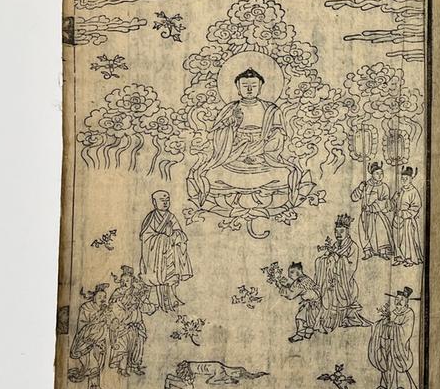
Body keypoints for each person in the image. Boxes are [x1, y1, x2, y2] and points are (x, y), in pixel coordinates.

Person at [187, 69, 303, 210]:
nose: (249, 89)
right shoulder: (230, 109)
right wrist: (233, 125)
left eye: (253, 86)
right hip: (235, 154)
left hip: (264, 155)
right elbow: (218, 134)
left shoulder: (271, 109)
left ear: (260, 87)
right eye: (245, 86)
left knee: (286, 173)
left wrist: (266, 149)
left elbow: (278, 133)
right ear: (238, 88)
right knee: (210, 173)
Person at [139, 190, 193, 312]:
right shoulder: (150, 218)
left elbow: (180, 234)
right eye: (162, 200)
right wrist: (163, 237)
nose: (165, 203)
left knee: (170, 279)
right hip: (156, 257)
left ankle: (172, 300)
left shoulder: (171, 217)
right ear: (154, 202)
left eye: (167, 200)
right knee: (159, 279)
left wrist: (174, 234)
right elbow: (146, 237)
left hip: (169, 254)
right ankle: (158, 303)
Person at [314, 214, 370, 330]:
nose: (338, 234)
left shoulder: (353, 247)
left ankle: (341, 319)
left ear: (347, 231)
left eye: (341, 231)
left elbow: (350, 267)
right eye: (336, 231)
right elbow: (327, 259)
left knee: (339, 298)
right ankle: (327, 321)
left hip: (344, 283)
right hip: (332, 280)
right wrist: (324, 259)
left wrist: (338, 258)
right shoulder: (335, 245)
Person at [367, 286, 419, 389]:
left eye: (401, 300)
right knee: (385, 362)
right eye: (397, 299)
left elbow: (406, 331)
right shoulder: (394, 312)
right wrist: (381, 323)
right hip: (387, 344)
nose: (398, 302)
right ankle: (385, 386)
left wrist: (394, 326)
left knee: (394, 364)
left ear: (406, 302)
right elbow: (385, 324)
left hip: (398, 346)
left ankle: (399, 386)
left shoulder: (409, 313)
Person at [67, 284, 114, 389]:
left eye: (104, 297)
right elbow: (84, 324)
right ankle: (94, 386)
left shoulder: (105, 309)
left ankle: (93, 385)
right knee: (93, 364)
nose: (103, 299)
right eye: (100, 297)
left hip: (99, 340)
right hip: (85, 341)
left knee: (98, 363)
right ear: (94, 297)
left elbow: (107, 324)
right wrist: (99, 317)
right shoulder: (86, 307)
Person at [108, 265, 152, 376]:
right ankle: (122, 369)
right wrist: (129, 308)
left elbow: (146, 308)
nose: (125, 283)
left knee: (138, 346)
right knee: (124, 348)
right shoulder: (118, 293)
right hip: (124, 326)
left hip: (137, 324)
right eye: (123, 281)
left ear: (132, 281)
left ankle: (134, 366)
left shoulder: (136, 292)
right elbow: (116, 310)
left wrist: (143, 301)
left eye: (127, 280)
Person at [350, 162, 393, 259]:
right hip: (365, 215)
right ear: (372, 174)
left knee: (381, 232)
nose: (380, 175)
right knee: (365, 233)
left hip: (378, 215)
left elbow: (384, 202)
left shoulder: (384, 187)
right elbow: (354, 197)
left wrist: (372, 207)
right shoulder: (366, 185)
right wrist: (360, 188)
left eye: (381, 173)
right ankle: (368, 252)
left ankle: (383, 251)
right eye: (377, 173)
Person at [277, 261, 324, 343]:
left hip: (314, 305)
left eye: (291, 272)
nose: (289, 275)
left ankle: (300, 335)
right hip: (312, 303)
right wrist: (285, 284)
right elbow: (292, 288)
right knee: (304, 319)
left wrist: (280, 287)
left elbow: (291, 295)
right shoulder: (303, 278)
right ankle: (307, 333)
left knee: (300, 318)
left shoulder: (301, 282)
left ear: (298, 272)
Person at [391, 166, 424, 266]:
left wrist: (403, 213)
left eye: (406, 178)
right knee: (397, 239)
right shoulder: (399, 191)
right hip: (397, 219)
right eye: (402, 178)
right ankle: (399, 257)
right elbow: (392, 205)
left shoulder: (413, 192)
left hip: (408, 221)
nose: (404, 180)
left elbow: (416, 207)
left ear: (411, 179)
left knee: (407, 240)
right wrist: (394, 199)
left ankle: (410, 259)